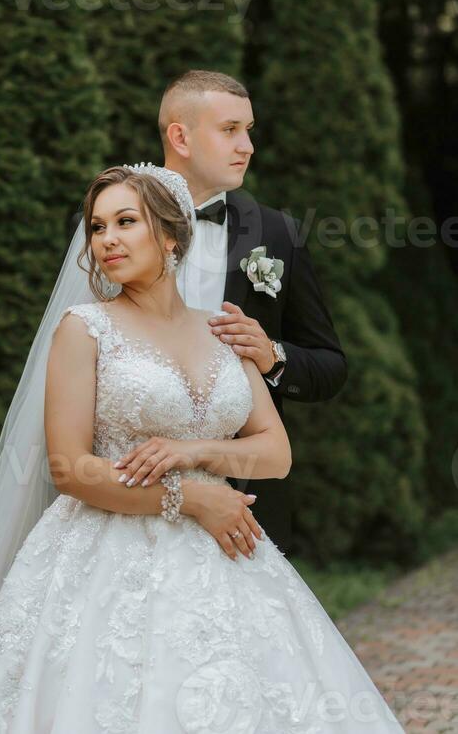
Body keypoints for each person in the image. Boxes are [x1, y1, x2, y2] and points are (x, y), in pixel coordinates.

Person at [0, 162, 402, 733]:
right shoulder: (85, 328)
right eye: (97, 227)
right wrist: (191, 501)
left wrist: (191, 453)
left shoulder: (221, 329)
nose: (107, 240)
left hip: (225, 551)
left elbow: (275, 453)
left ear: (172, 236)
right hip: (105, 551)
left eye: (126, 221)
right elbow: (71, 468)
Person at [68, 69, 348, 554]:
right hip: (123, 500)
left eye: (249, 130)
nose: (247, 146)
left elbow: (330, 366)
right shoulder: (111, 226)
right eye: (230, 130)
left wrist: (272, 356)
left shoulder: (277, 234)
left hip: (244, 501)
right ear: (181, 136)